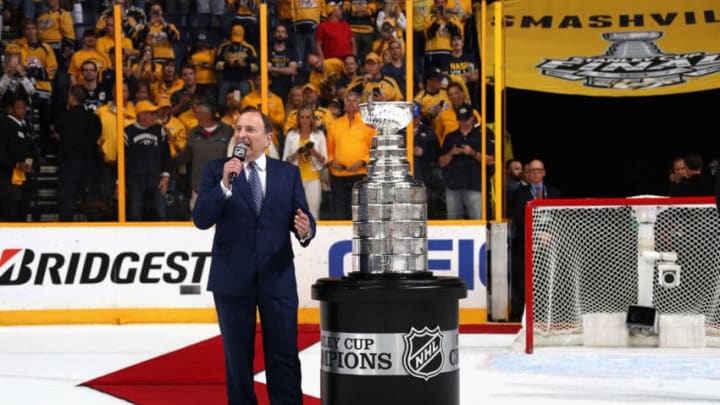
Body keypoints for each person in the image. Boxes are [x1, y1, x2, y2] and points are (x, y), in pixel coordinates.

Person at [192, 107, 315, 405]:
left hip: (277, 277)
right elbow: (201, 219)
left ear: (268, 139)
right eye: (238, 128)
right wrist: (224, 185)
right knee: (237, 359)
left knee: (284, 354)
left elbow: (302, 218)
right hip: (232, 280)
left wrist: (306, 229)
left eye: (250, 129)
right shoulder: (216, 170)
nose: (242, 134)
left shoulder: (288, 173)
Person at [509, 158, 561, 322]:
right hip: (526, 244)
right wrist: (536, 234)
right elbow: (519, 218)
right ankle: (523, 314)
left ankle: (550, 313)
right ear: (527, 174)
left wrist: (549, 234)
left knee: (549, 278)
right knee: (523, 280)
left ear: (544, 173)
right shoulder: (519, 194)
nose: (536, 173)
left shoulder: (554, 193)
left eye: (539, 170)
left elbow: (559, 218)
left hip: (549, 243)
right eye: (532, 170)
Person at [53, 85, 102, 221]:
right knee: (92, 208)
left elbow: (58, 136)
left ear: (72, 97)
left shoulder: (62, 118)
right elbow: (98, 136)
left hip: (69, 167)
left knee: (66, 208)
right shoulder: (94, 119)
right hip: (89, 167)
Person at [438, 103, 494, 220]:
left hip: (474, 185)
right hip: (454, 185)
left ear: (472, 118)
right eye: (460, 119)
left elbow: (491, 161)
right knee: (453, 224)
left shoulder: (482, 136)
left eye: (466, 119)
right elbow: (441, 162)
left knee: (477, 223)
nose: (463, 122)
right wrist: (452, 153)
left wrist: (473, 153)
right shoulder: (450, 137)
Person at [326, 91, 374, 220]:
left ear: (359, 104)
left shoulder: (368, 125)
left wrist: (362, 161)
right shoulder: (334, 125)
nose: (351, 103)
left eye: (354, 100)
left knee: (360, 213)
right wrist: (332, 161)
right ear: (344, 104)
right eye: (348, 100)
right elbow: (329, 149)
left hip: (360, 174)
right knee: (339, 212)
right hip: (339, 175)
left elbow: (375, 149)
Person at [124, 99, 172, 221]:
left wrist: (165, 177)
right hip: (135, 181)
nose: (154, 116)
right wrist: (120, 183)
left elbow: (166, 155)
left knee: (160, 213)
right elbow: (122, 158)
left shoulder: (159, 130)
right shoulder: (128, 132)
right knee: (135, 213)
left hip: (156, 179)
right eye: (151, 113)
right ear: (141, 115)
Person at [283, 105, 328, 220]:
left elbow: (325, 160)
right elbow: (284, 160)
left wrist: (314, 153)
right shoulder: (291, 135)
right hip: (296, 178)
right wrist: (295, 155)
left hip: (313, 177)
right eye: (302, 117)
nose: (304, 120)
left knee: (313, 212)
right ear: (298, 119)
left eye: (307, 117)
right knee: (296, 211)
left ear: (312, 119)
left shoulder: (319, 135)